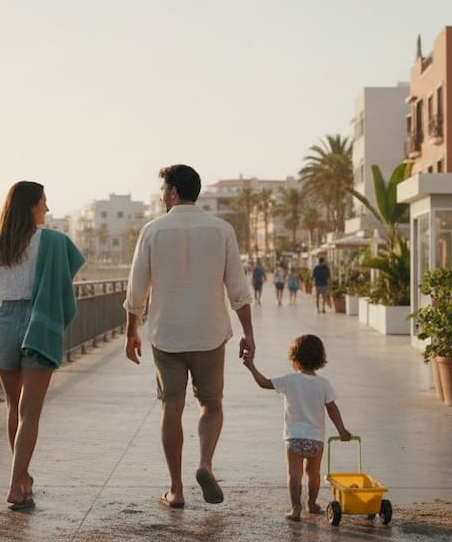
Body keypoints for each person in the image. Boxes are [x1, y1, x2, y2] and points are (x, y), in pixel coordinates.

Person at [124, 164, 254, 509]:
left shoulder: (153, 230)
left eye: (164, 190)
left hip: (167, 334)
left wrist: (130, 332)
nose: (162, 196)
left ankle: (176, 489)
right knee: (211, 403)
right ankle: (205, 464)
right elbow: (238, 289)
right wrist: (248, 334)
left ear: (173, 192)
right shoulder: (221, 229)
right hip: (210, 332)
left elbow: (136, 288)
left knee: (172, 406)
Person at [0, 181, 84, 510]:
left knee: (13, 408)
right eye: (44, 201)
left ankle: (24, 478)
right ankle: (15, 487)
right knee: (30, 414)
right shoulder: (53, 241)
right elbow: (62, 280)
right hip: (39, 319)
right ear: (31, 205)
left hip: (4, 322)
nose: (47, 207)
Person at [241, 334, 351, 521]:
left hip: (294, 439)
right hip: (316, 439)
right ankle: (312, 503)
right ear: (320, 359)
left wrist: (251, 366)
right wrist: (342, 430)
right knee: (314, 473)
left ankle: (295, 508)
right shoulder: (324, 384)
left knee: (294, 474)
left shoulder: (290, 380)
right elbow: (332, 408)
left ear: (295, 358)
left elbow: (264, 383)